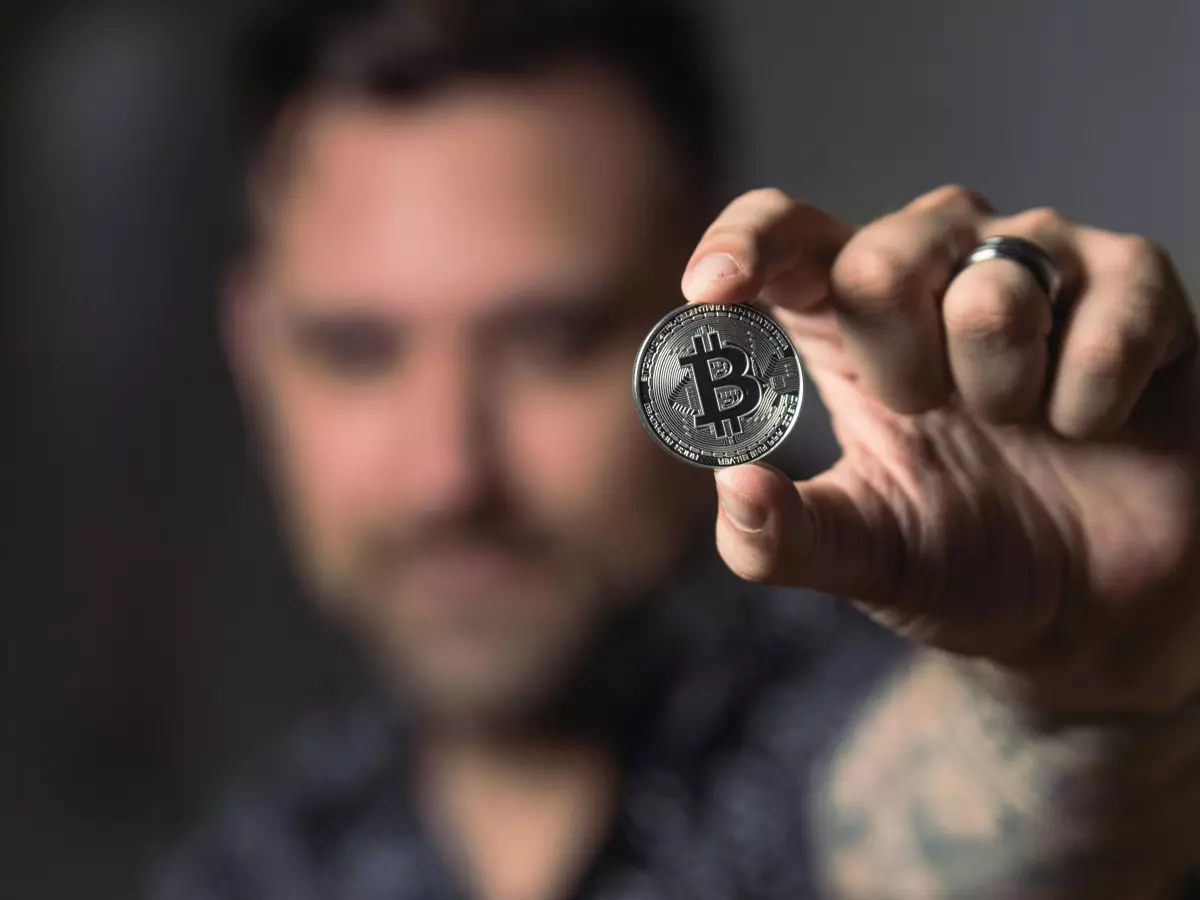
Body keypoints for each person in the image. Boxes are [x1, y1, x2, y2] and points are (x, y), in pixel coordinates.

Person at [151, 1, 1200, 898]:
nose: (449, 475)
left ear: (708, 314)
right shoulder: (258, 866)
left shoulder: (896, 670)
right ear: (253, 350)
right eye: (356, 350)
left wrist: (1079, 701)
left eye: (553, 342)